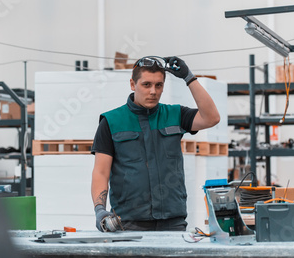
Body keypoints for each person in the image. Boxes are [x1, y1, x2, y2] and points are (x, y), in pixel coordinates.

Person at [90, 56, 220, 232]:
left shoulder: (175, 114)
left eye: (158, 85)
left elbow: (211, 118)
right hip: (128, 223)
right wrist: (100, 210)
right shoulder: (112, 122)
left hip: (172, 223)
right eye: (146, 85)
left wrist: (189, 77)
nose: (153, 91)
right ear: (132, 84)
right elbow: (101, 172)